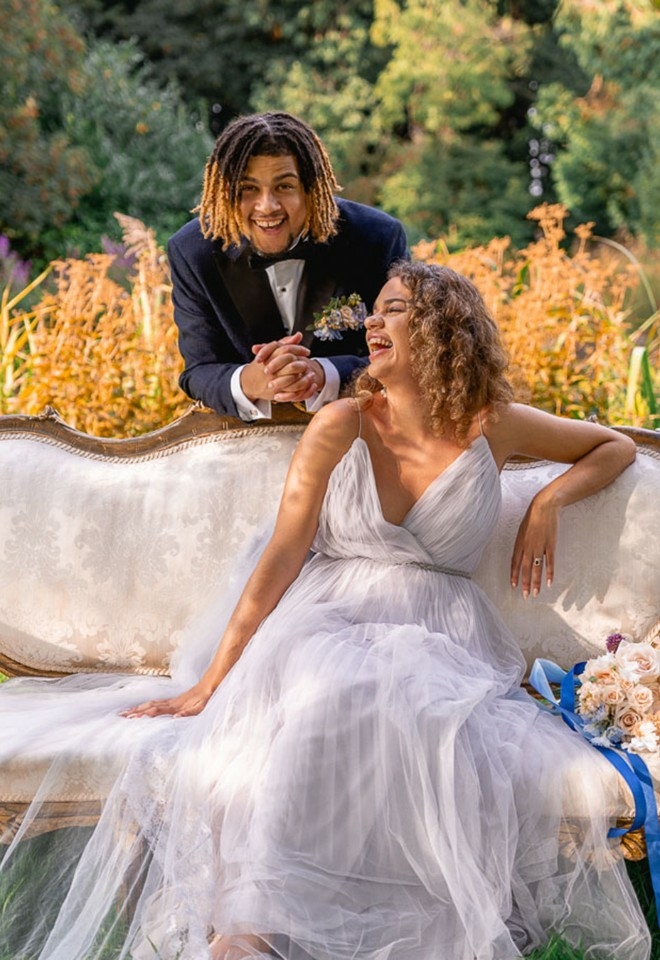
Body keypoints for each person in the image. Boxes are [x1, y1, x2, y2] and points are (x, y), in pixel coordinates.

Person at [0, 262, 648, 960]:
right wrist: (212, 682)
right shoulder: (341, 423)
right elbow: (281, 557)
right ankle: (246, 933)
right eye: (374, 308)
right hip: (329, 617)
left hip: (441, 633)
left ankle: (372, 930)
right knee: (333, 688)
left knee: (409, 704)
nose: (372, 321)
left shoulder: (491, 423)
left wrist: (548, 501)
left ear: (442, 327)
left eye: (395, 308)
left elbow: (612, 446)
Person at [168, 111, 409, 421]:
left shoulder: (376, 238)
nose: (267, 206)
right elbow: (198, 371)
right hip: (245, 438)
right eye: (248, 189)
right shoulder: (192, 251)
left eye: (284, 186)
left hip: (359, 425)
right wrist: (252, 380)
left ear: (310, 187)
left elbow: (406, 351)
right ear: (226, 192)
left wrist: (324, 373)